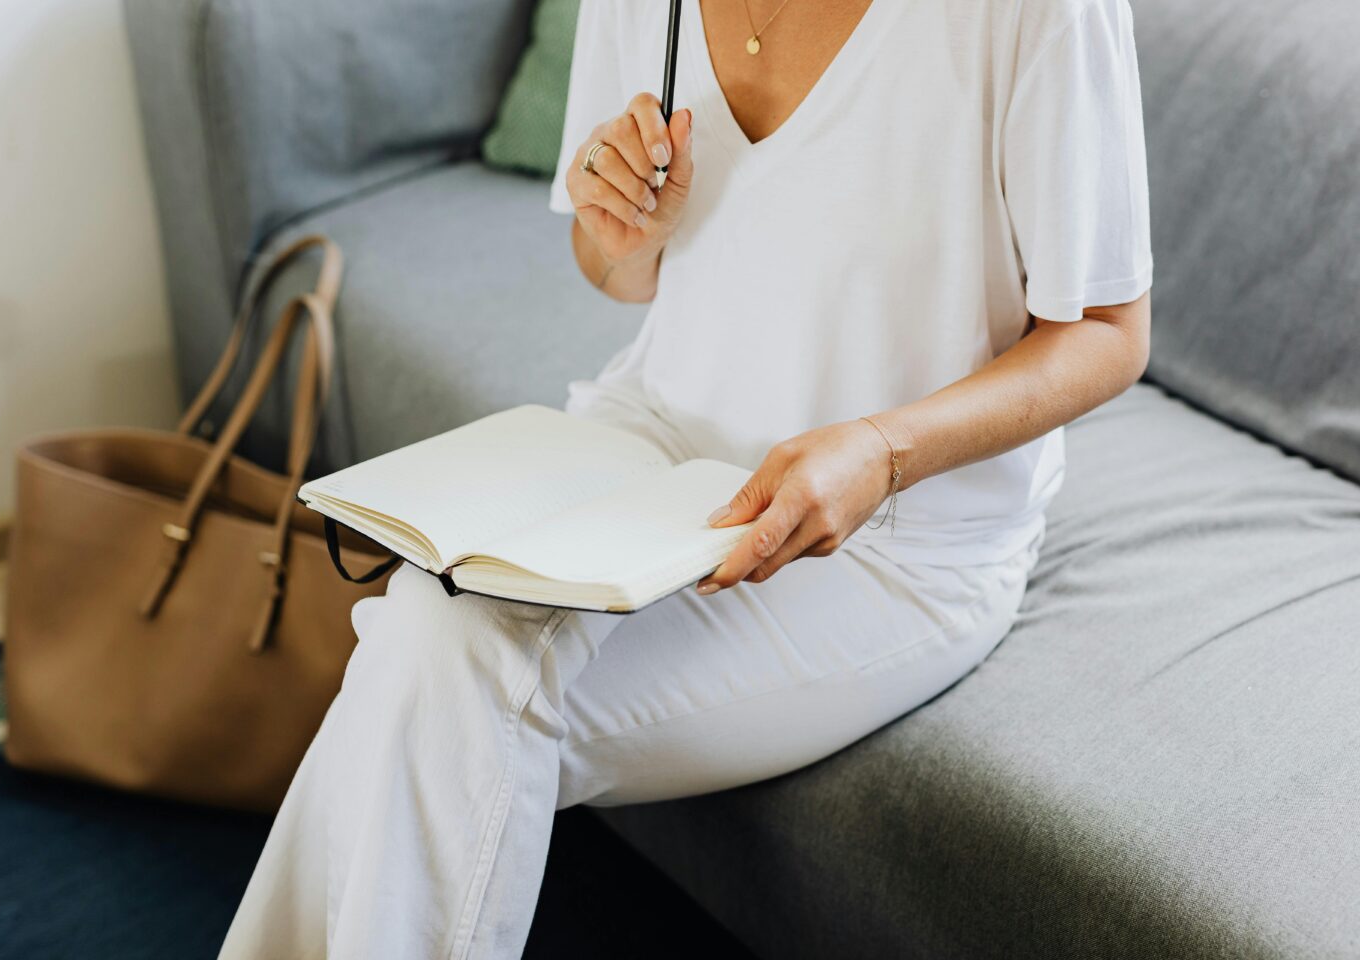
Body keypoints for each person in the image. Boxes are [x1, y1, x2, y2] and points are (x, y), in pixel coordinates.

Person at [221, 0, 1152, 956]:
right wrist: (619, 224)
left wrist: (881, 449)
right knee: (423, 632)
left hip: (896, 535)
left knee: (434, 673)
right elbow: (615, 268)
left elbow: (1110, 336)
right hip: (649, 439)